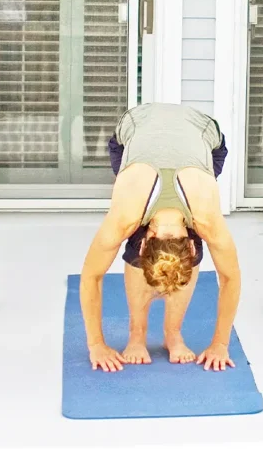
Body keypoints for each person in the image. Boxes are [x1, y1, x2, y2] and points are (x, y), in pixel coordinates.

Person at [79, 103, 240, 373]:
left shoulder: (206, 216)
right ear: (142, 243)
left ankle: (172, 333)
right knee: (150, 247)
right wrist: (95, 344)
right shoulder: (126, 214)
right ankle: (136, 334)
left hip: (201, 130)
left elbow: (231, 278)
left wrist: (220, 344)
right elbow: (90, 277)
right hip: (136, 125)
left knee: (181, 263)